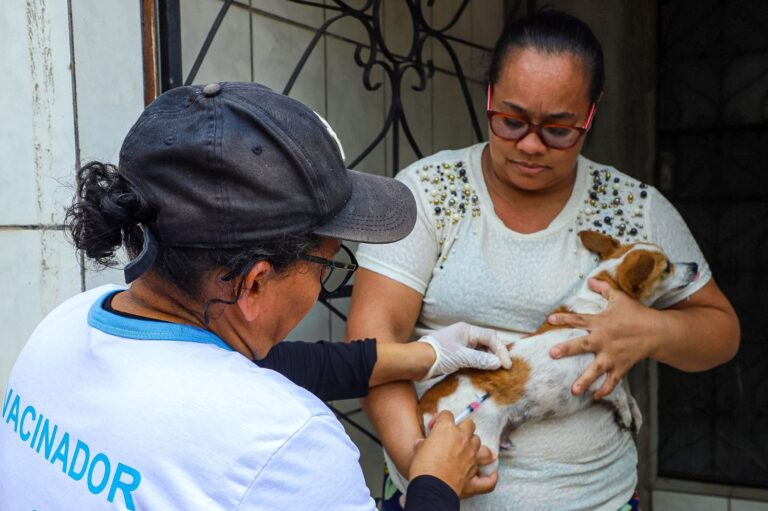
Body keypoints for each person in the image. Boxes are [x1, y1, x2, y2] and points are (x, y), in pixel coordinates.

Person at [0, 82, 513, 510]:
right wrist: (435, 485)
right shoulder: (287, 438)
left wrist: (428, 354)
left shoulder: (65, 325)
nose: (324, 283)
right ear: (254, 283)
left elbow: (256, 369)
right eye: (328, 265)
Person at [347, 10, 740, 511]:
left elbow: (721, 332)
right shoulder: (427, 193)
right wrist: (421, 467)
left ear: (590, 115)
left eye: (558, 129)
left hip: (597, 498)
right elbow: (372, 344)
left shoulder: (633, 209)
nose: (531, 145)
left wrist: (650, 332)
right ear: (488, 98)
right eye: (511, 121)